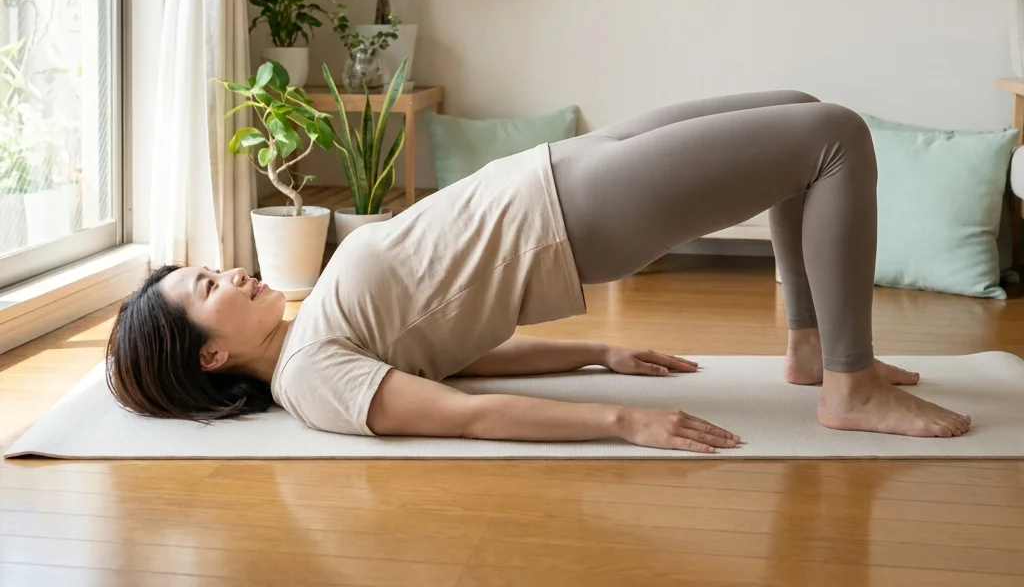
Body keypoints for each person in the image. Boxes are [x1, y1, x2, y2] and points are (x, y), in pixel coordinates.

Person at [107, 91, 971, 452]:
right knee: (835, 136)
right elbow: (462, 413)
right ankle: (847, 387)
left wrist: (597, 353)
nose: (225, 272)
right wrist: (621, 424)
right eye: (206, 290)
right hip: (570, 217)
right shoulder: (313, 384)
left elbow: (452, 353)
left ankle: (812, 349)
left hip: (553, 173)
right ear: (210, 357)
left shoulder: (313, 335)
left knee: (795, 106)